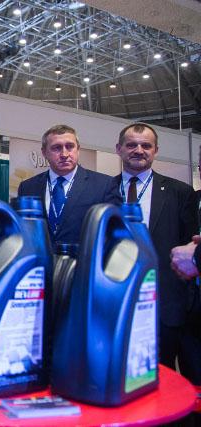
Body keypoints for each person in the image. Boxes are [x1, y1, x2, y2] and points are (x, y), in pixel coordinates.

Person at [113, 122, 199, 380]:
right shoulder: (103, 189)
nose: (139, 150)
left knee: (167, 379)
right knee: (119, 376)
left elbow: (190, 251)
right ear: (119, 149)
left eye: (146, 145)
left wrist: (185, 304)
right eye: (131, 145)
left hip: (166, 308)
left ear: (156, 150)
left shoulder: (180, 192)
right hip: (116, 301)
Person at [17, 124, 121, 247]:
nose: (64, 154)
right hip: (40, 258)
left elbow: (114, 232)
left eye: (70, 147)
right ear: (44, 152)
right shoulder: (28, 187)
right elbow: (22, 230)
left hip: (84, 258)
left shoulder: (104, 185)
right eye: (57, 148)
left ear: (78, 149)